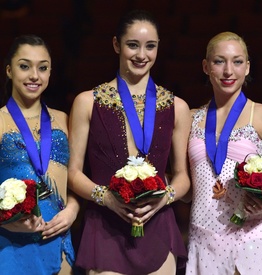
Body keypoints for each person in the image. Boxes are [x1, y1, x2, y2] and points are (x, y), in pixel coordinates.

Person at [68, 9, 191, 275]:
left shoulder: (177, 107)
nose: (141, 55)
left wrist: (164, 199)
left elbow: (182, 177)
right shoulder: (88, 102)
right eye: (132, 45)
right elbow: (73, 173)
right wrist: (107, 199)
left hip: (158, 224)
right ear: (116, 45)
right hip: (105, 226)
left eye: (150, 46)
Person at [185, 31, 262, 275]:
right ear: (206, 66)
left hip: (251, 235)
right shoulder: (190, 118)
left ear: (247, 67)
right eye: (219, 61)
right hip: (202, 237)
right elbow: (185, 188)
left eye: (237, 61)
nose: (228, 71)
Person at [0, 34, 79, 275]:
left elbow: (74, 180)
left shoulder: (65, 120)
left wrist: (73, 210)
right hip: (9, 246)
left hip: (59, 242)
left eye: (42, 68)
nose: (35, 75)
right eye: (24, 66)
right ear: (9, 71)